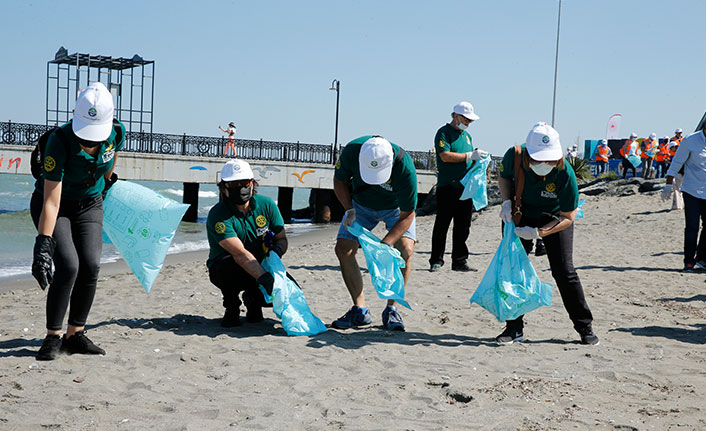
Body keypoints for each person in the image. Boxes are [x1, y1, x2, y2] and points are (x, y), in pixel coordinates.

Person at [30, 82, 125, 360]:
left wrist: (107, 183)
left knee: (91, 264)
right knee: (69, 265)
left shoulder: (116, 132)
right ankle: (52, 336)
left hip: (91, 204)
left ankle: (75, 334)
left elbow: (112, 158)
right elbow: (51, 200)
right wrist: (43, 245)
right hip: (56, 205)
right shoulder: (58, 141)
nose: (90, 142)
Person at [496, 122, 598, 345]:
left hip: (553, 218)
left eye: (549, 159)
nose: (545, 163)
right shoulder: (514, 156)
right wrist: (505, 202)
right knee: (514, 270)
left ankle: (584, 327)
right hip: (518, 214)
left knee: (564, 271)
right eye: (539, 158)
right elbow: (503, 177)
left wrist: (538, 232)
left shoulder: (565, 172)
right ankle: (514, 328)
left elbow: (568, 216)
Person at [332, 136, 417, 331]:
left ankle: (392, 309)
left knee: (405, 250)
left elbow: (407, 214)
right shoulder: (351, 152)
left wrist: (385, 244)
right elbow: (339, 180)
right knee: (343, 248)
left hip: (396, 209)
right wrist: (348, 209)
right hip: (360, 205)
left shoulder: (405, 166)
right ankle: (360, 310)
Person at [206, 159, 287, 326]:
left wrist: (276, 252)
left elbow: (282, 239)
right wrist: (266, 280)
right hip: (228, 267)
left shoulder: (267, 205)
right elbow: (240, 254)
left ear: (252, 183)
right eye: (234, 184)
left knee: (287, 292)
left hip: (260, 263)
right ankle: (231, 306)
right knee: (228, 268)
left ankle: (253, 301)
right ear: (224, 187)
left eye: (244, 182)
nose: (240, 188)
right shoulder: (218, 215)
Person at [429, 101, 488, 272]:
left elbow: (468, 158)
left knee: (463, 226)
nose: (469, 123)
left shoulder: (467, 136)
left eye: (471, 120)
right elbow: (445, 156)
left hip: (466, 188)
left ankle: (459, 261)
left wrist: (477, 159)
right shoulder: (443, 133)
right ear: (455, 116)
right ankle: (436, 260)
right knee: (442, 224)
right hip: (448, 187)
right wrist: (469, 155)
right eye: (466, 119)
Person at [662, 118, 706, 272]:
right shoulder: (690, 141)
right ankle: (688, 261)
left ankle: (701, 258)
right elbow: (676, 163)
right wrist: (668, 184)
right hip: (692, 190)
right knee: (692, 227)